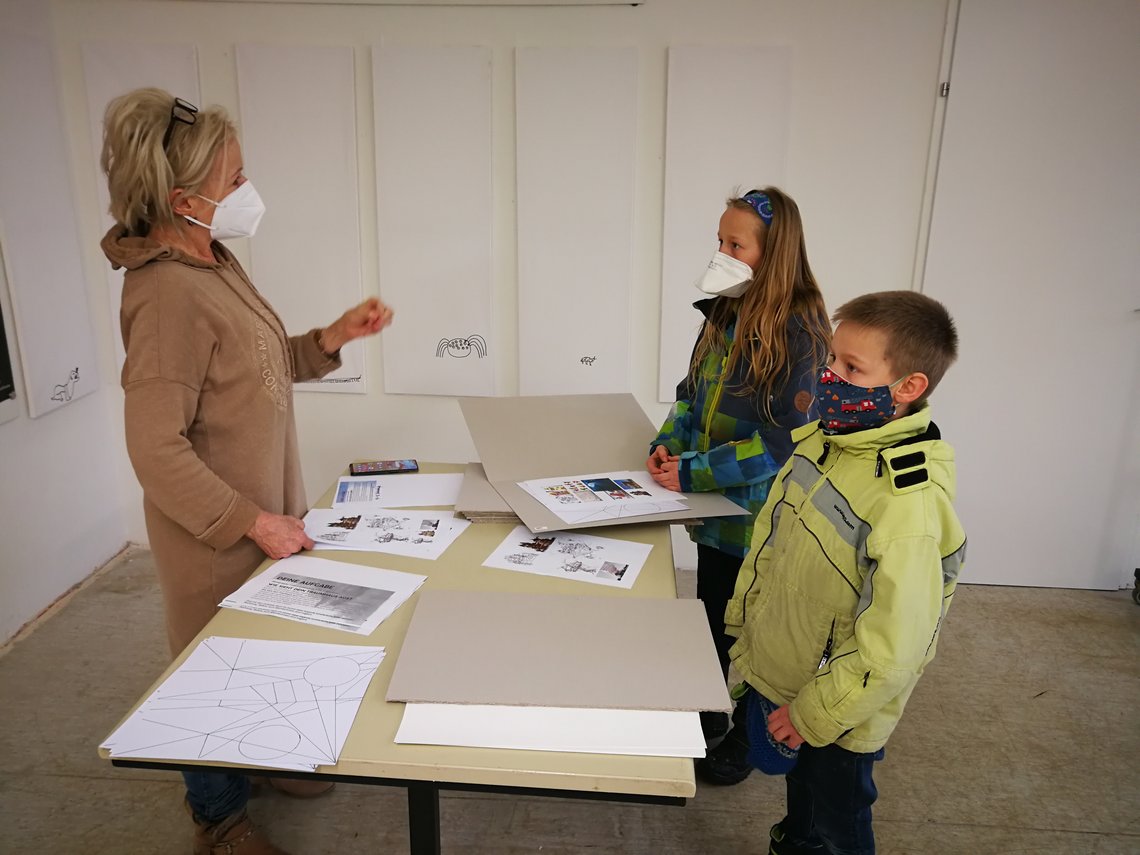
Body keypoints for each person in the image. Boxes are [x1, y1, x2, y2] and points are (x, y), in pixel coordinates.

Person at [100, 88, 393, 855]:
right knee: (209, 672)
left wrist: (332, 336)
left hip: (264, 520)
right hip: (215, 535)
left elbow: (261, 366)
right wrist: (250, 520)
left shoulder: (213, 260)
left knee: (262, 651)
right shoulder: (165, 295)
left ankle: (262, 759)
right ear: (183, 199)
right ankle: (219, 818)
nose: (245, 192)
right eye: (233, 181)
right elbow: (155, 446)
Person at [704, 291, 965, 855]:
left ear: (908, 387)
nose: (830, 377)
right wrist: (747, 640)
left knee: (838, 820)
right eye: (832, 360)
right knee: (803, 801)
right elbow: (773, 552)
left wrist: (813, 715)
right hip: (790, 679)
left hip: (839, 713)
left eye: (852, 368)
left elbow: (892, 651)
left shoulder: (908, 506)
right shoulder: (824, 444)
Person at [647, 187, 831, 740]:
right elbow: (690, 393)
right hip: (714, 511)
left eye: (736, 243)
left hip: (760, 519)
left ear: (773, 253)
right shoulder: (722, 310)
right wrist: (667, 442)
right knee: (708, 622)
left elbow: (785, 442)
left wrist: (694, 472)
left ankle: (746, 737)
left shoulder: (804, 333)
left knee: (752, 636)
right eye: (718, 240)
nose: (721, 253)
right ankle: (707, 720)